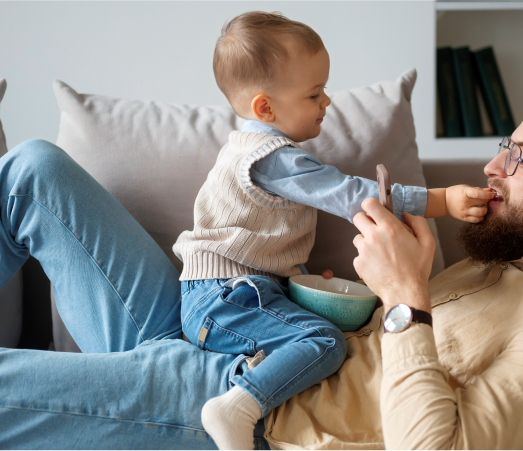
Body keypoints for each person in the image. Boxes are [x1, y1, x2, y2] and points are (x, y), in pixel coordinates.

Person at [0, 93, 523, 449]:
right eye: (501, 148)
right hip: (229, 325)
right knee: (32, 173)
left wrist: (405, 298)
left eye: (518, 157)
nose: (492, 168)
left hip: (250, 408)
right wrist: (376, 288)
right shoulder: (510, 262)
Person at [172, 12, 492, 450]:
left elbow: (264, 245)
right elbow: (352, 194)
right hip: (225, 297)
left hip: (233, 294)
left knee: (332, 329)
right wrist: (441, 201)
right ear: (265, 108)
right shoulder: (273, 158)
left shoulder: (255, 150)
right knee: (324, 342)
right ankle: (237, 406)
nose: (327, 102)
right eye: (314, 93)